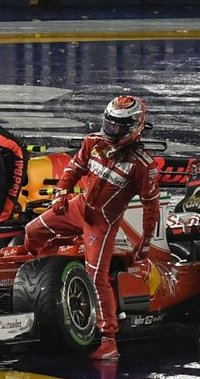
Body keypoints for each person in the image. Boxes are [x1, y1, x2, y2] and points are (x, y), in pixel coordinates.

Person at [24, 96, 160, 360]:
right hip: (76, 207)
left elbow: (151, 207)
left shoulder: (144, 166)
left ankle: (108, 340)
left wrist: (145, 241)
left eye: (118, 127)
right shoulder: (92, 142)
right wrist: (60, 194)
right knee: (32, 231)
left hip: (103, 224)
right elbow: (73, 169)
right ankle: (40, 277)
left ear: (134, 127)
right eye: (109, 124)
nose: (111, 131)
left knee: (97, 276)